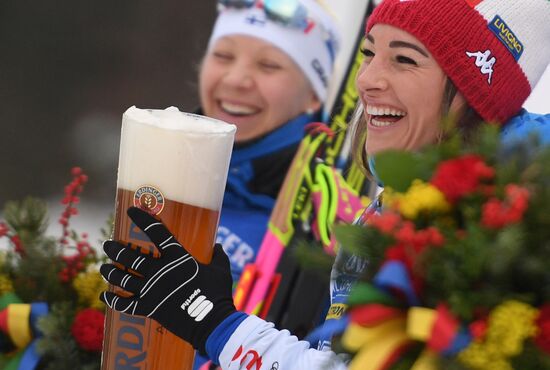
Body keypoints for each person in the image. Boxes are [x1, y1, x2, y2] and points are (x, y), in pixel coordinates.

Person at [100, 0, 550, 369]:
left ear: (472, 97)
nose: (368, 80)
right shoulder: (397, 210)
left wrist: (215, 322)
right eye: (369, 53)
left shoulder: (506, 235)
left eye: (405, 60)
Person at [198, 0, 341, 287]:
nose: (237, 79)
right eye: (224, 56)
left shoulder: (329, 212)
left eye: (268, 65)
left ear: (314, 95)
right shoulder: (163, 164)